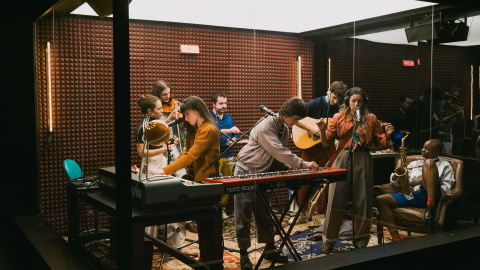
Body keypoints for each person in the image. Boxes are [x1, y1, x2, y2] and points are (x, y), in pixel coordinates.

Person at [233, 97, 320, 270]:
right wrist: (303, 164)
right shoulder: (265, 127)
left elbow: (276, 156)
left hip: (263, 173)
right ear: (286, 113)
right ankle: (243, 253)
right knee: (243, 214)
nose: (296, 123)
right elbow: (280, 151)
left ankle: (269, 249)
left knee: (265, 214)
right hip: (245, 171)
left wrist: (289, 169)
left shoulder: (285, 130)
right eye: (295, 119)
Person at [150, 96, 224, 270]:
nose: (185, 118)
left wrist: (164, 171)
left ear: (197, 111)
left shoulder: (208, 129)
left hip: (208, 181)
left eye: (187, 114)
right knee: (203, 227)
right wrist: (168, 169)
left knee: (210, 228)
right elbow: (185, 153)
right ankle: (205, 261)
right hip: (199, 180)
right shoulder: (196, 128)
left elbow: (192, 156)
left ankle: (213, 264)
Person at [317, 87, 394, 253]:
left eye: (359, 101)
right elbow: (326, 142)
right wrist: (322, 130)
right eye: (353, 101)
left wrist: (387, 135)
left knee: (363, 200)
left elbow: (381, 145)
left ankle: (361, 242)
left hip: (363, 157)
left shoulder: (371, 119)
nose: (356, 104)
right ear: (347, 102)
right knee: (335, 198)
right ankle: (328, 241)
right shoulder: (338, 117)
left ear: (364, 102)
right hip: (342, 156)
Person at [375, 139, 455, 242]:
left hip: (432, 195)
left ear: (437, 152)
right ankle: (396, 238)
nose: (423, 150)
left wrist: (425, 181)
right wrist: (396, 176)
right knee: (381, 200)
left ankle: (430, 206)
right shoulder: (413, 164)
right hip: (413, 195)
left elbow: (447, 187)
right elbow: (396, 182)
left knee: (429, 163)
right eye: (423, 147)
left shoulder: (445, 165)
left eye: (427, 149)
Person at [293, 81, 347, 224]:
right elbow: (296, 119)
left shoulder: (339, 108)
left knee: (328, 179)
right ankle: (302, 213)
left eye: (338, 100)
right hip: (310, 146)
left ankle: (323, 212)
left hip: (328, 147)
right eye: (334, 97)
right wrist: (311, 128)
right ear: (328, 91)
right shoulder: (314, 104)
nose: (335, 101)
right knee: (304, 180)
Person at [135, 94, 178, 238]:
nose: (162, 111)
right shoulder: (143, 127)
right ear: (150, 111)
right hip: (151, 167)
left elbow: (156, 137)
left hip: (159, 164)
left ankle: (159, 238)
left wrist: (169, 121)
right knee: (153, 205)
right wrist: (164, 149)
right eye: (159, 109)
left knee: (162, 202)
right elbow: (142, 153)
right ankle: (149, 242)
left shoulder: (153, 122)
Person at [210, 92, 240, 219]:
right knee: (214, 184)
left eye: (225, 103)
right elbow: (212, 132)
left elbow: (236, 135)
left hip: (227, 154)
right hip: (213, 156)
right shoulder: (208, 117)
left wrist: (233, 140)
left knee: (227, 183)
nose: (224, 106)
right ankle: (212, 209)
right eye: (221, 103)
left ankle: (222, 209)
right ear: (213, 104)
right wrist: (229, 131)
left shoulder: (229, 118)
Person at [150, 80, 186, 177]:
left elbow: (184, 122)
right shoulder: (152, 110)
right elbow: (153, 131)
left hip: (175, 143)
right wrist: (169, 120)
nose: (168, 97)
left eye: (169, 93)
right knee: (165, 172)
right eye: (164, 94)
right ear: (157, 94)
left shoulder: (175, 104)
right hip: (160, 146)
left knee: (180, 170)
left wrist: (181, 115)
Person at [406, 84, 443, 151]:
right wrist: (434, 128)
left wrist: (436, 119)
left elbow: (431, 115)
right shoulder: (415, 107)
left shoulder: (427, 104)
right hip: (417, 146)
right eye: (435, 100)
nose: (435, 103)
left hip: (427, 144)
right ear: (429, 96)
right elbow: (417, 133)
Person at [437, 86, 463, 154]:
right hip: (444, 132)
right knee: (447, 152)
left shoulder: (450, 106)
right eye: (453, 95)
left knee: (449, 151)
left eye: (456, 96)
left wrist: (458, 115)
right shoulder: (443, 103)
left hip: (450, 131)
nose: (455, 98)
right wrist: (454, 114)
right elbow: (441, 120)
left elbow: (451, 122)